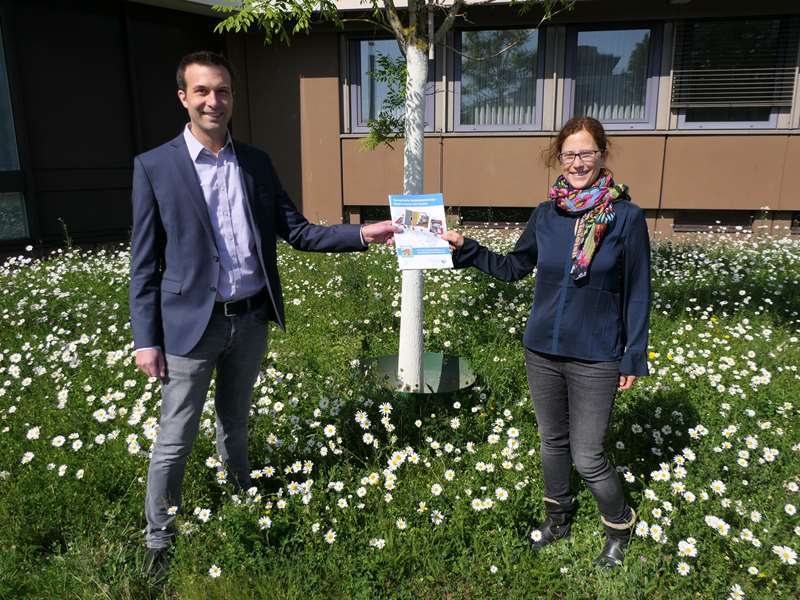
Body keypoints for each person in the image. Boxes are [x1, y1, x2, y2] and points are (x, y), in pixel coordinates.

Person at [129, 50, 398, 579]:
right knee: (175, 435)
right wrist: (146, 338)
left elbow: (297, 231)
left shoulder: (254, 162)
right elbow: (144, 263)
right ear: (183, 97)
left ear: (232, 96)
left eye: (223, 90)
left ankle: (241, 497)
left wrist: (364, 232)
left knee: (236, 421)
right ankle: (159, 537)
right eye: (202, 91)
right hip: (190, 324)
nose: (214, 100)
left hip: (249, 319)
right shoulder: (154, 167)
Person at [442, 116, 650, 568]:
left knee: (588, 454)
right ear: (559, 157)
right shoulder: (547, 214)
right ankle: (558, 518)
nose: (577, 163)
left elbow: (637, 291)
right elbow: (514, 267)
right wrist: (467, 248)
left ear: (601, 155)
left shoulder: (626, 218)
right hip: (542, 351)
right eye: (569, 154)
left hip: (596, 355)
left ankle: (620, 523)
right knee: (551, 442)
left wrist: (633, 355)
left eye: (586, 153)